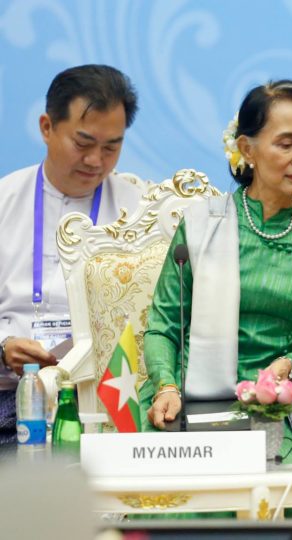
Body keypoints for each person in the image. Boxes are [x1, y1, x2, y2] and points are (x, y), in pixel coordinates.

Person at [143, 80, 292, 536]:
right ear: (248, 148)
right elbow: (162, 327)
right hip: (188, 399)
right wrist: (165, 386)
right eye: (286, 143)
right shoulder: (204, 224)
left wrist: (287, 366)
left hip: (273, 404)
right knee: (170, 499)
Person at [0, 64, 146, 454]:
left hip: (104, 402)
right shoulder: (4, 200)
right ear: (47, 127)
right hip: (8, 399)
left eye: (111, 147)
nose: (96, 161)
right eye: (83, 143)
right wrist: (2, 346)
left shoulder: (140, 212)